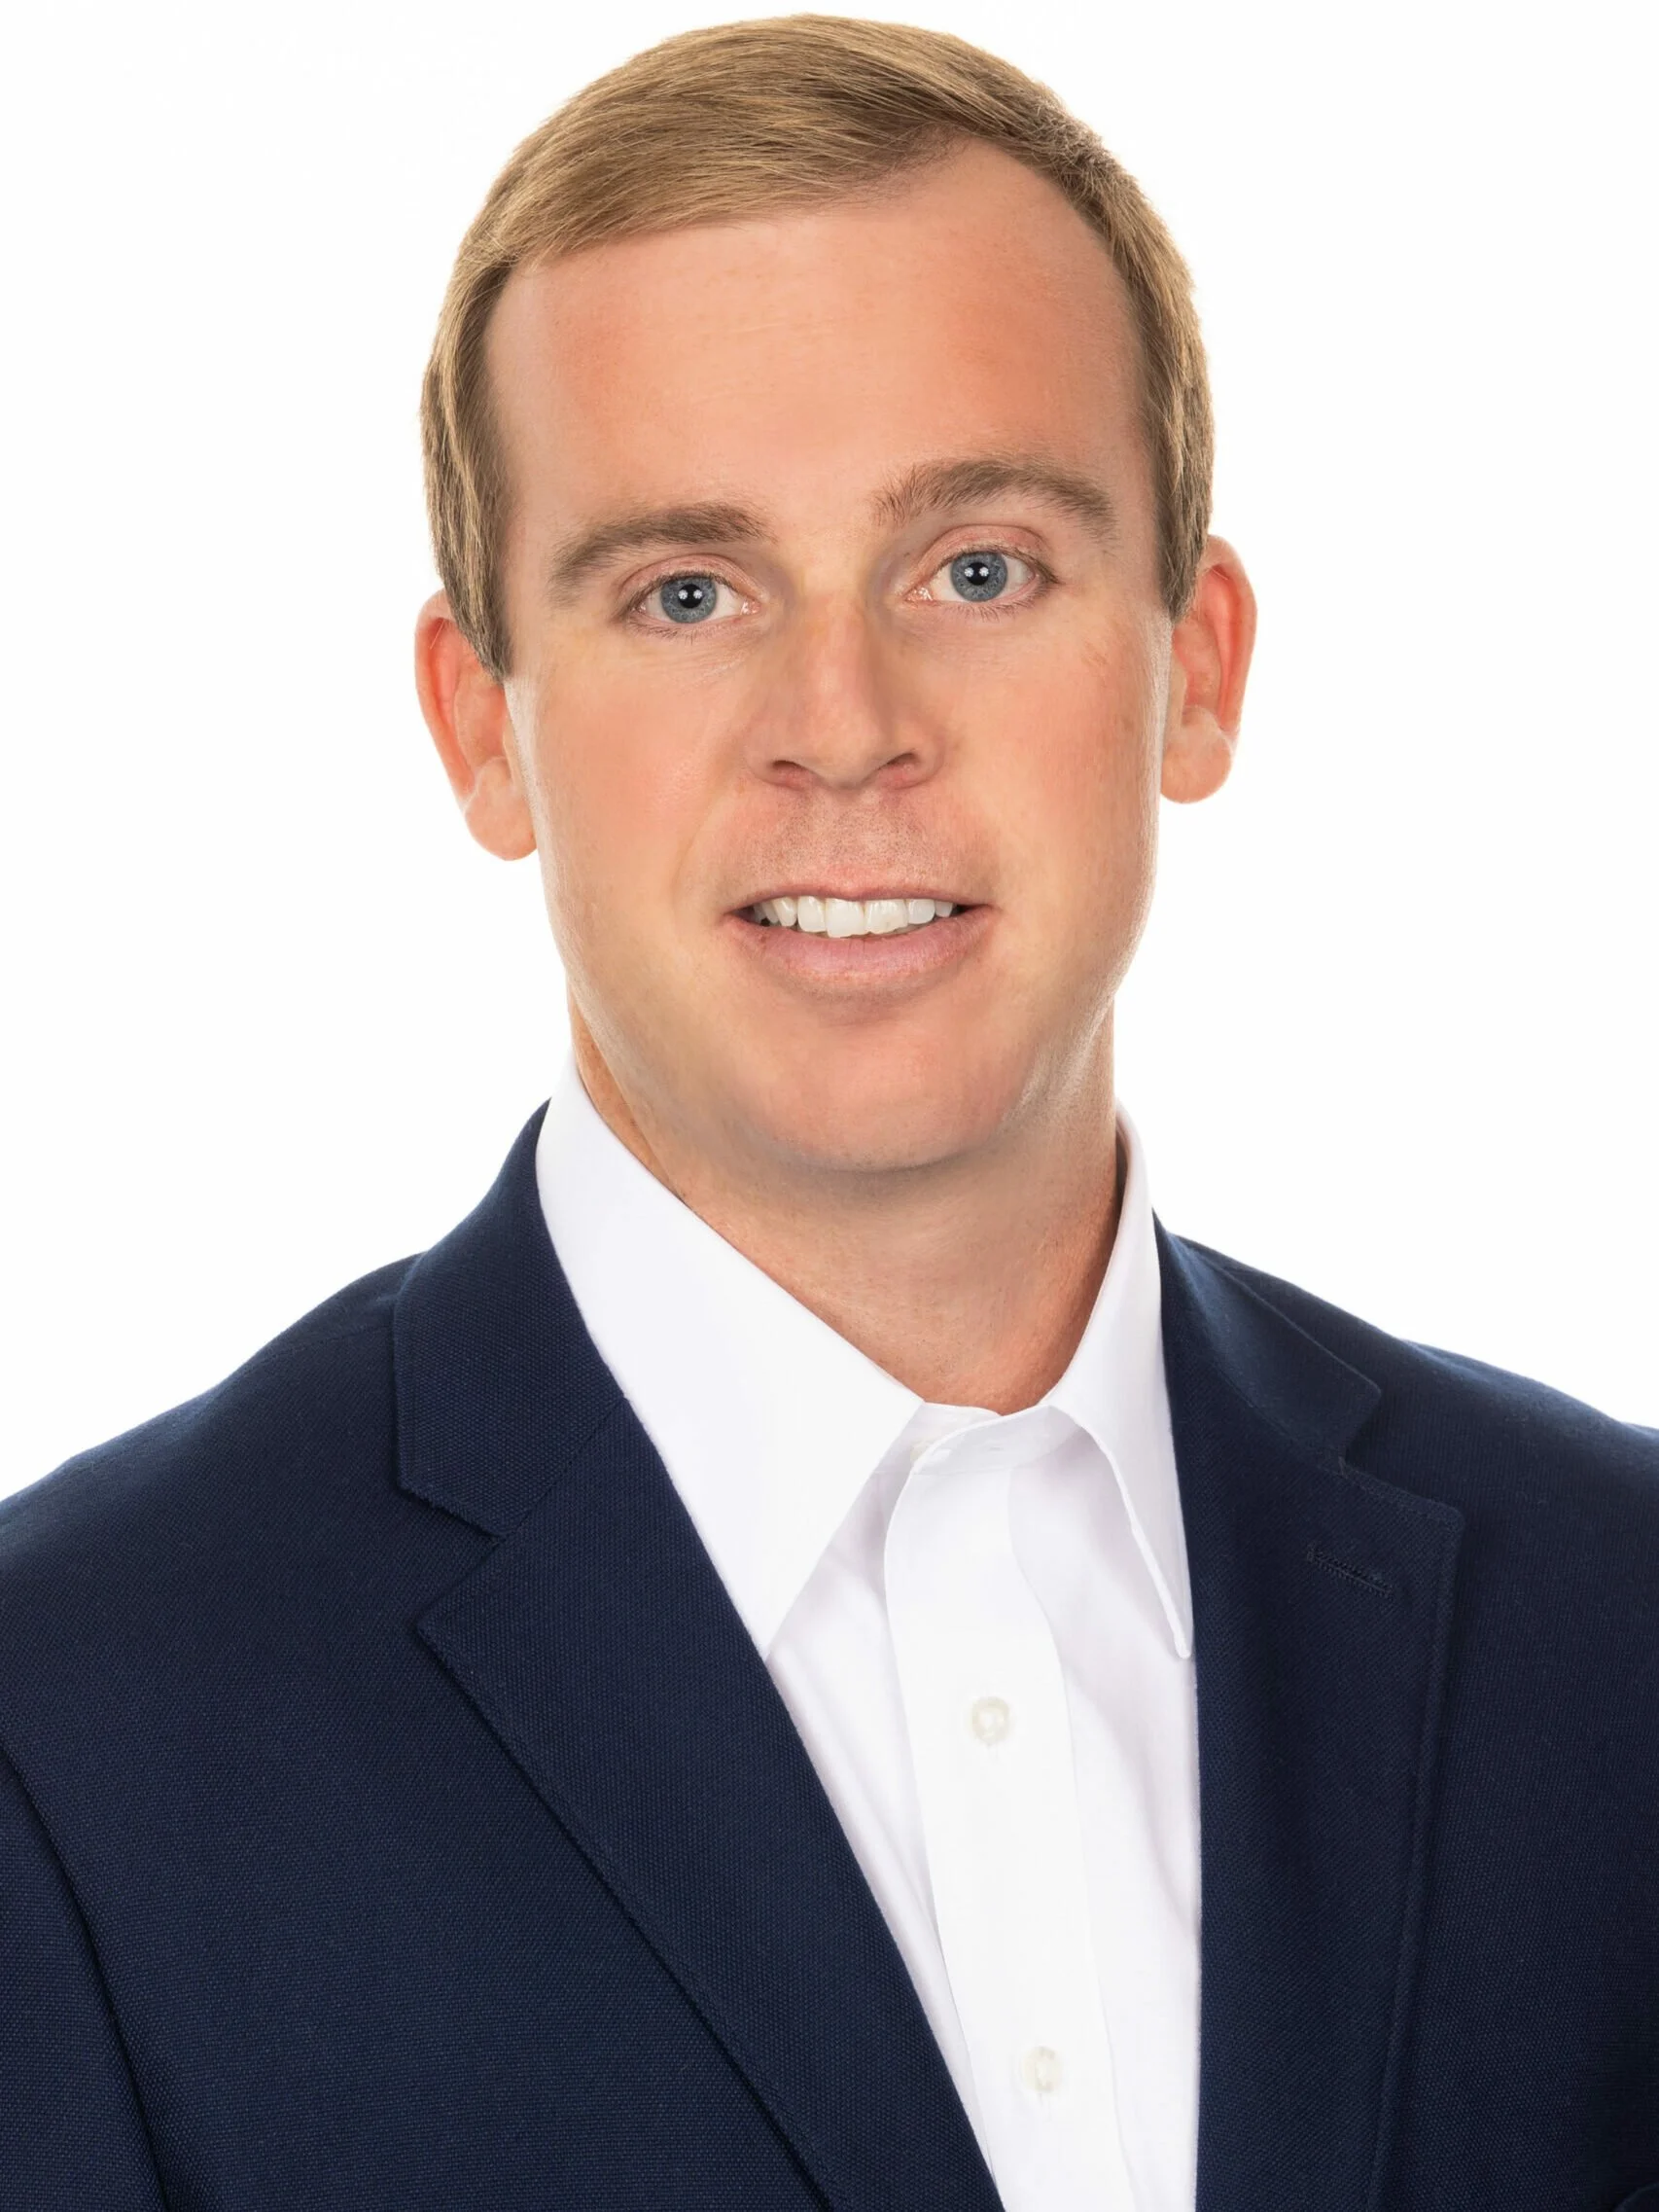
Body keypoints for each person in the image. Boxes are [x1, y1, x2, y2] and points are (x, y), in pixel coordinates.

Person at [2, 16, 1655, 2210]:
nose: (844, 723)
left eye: (975, 566)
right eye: (686, 593)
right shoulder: (68, 1730)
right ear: (481, 728)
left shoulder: (1616, 1619)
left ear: (1199, 663)